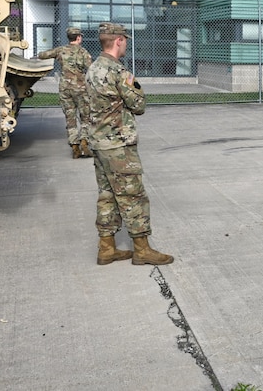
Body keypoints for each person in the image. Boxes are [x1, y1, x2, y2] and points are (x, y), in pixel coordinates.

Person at [86, 22, 173, 266]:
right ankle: (142, 250)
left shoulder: (92, 68)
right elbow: (139, 106)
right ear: (119, 41)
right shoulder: (118, 72)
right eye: (126, 39)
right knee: (133, 196)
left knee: (107, 195)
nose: (126, 44)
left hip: (99, 143)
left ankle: (107, 248)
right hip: (118, 146)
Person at [37, 26, 93, 159]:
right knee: (85, 117)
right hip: (80, 88)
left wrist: (39, 55)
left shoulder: (60, 50)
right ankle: (84, 142)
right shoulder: (83, 52)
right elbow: (91, 69)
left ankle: (75, 146)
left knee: (70, 118)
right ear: (78, 38)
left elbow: (43, 55)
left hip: (65, 88)